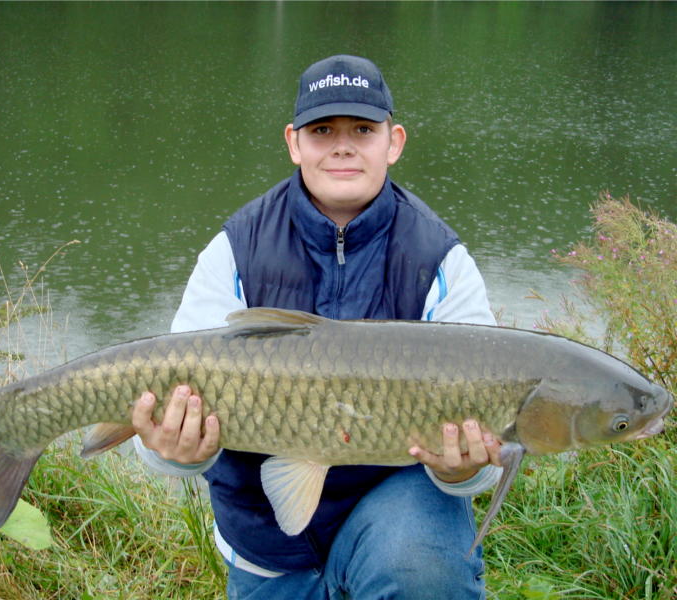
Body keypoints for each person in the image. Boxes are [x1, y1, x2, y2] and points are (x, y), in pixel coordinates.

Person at [132, 55, 503, 599]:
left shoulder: (441, 261)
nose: (343, 145)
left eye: (363, 130)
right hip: (267, 548)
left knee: (423, 569)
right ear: (294, 142)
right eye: (323, 130)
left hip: (398, 516)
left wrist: (461, 472)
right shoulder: (234, 251)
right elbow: (160, 437)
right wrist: (171, 449)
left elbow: (485, 467)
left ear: (393, 142)